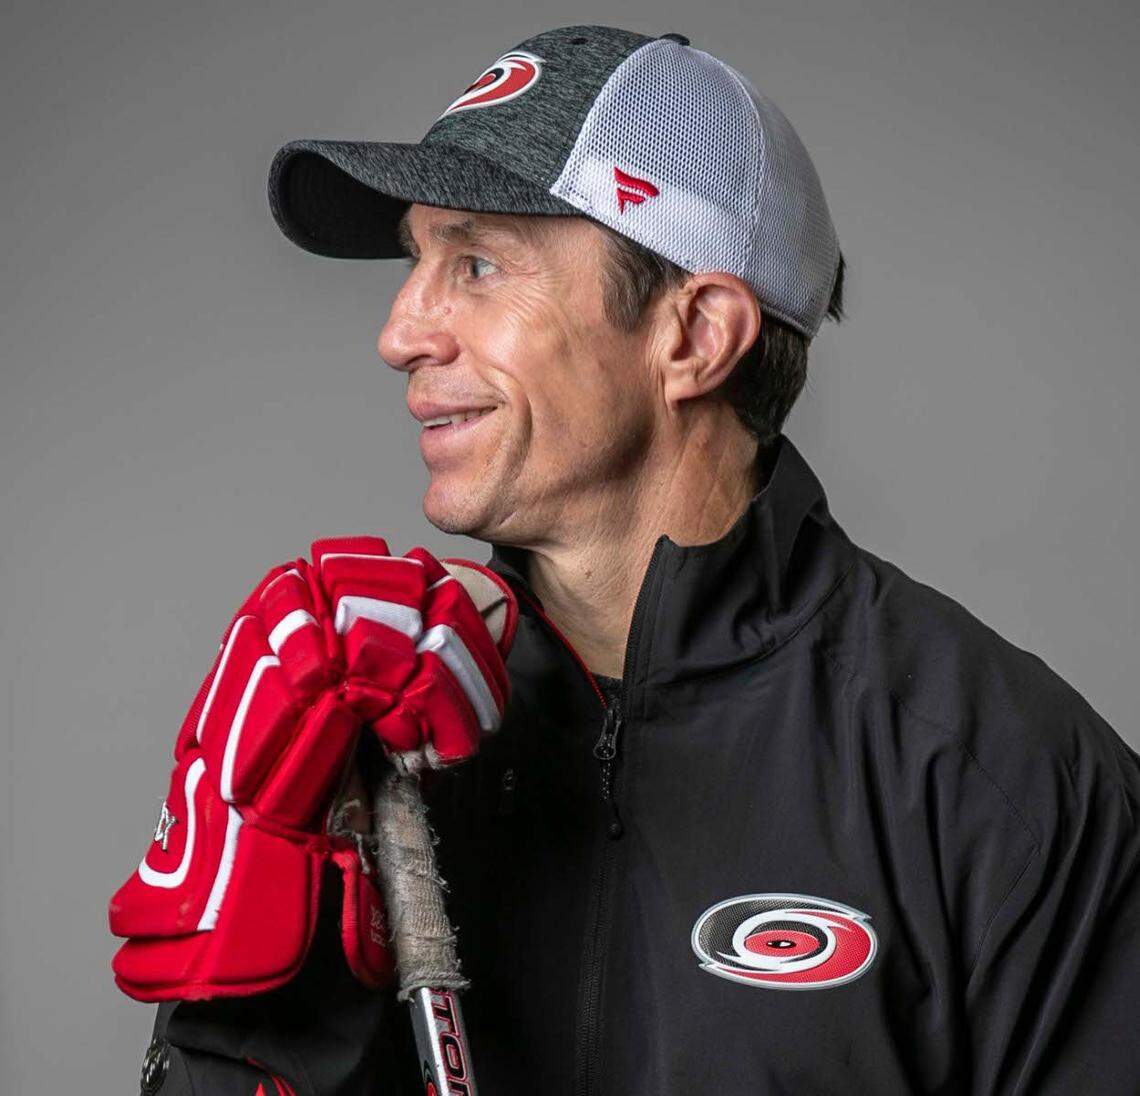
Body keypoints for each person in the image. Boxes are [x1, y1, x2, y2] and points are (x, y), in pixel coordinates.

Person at [110, 23, 1140, 1095]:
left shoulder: (1000, 781)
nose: (401, 328)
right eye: (418, 262)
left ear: (694, 335)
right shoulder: (363, 741)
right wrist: (247, 994)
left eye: (475, 262)